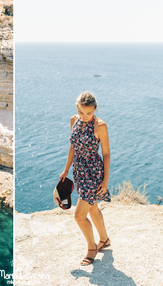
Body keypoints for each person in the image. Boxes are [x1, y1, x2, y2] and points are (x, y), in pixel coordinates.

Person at [60, 91, 111, 265]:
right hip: (79, 171)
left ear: (95, 109)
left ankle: (92, 248)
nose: (85, 116)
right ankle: (104, 239)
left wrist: (105, 181)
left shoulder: (100, 126)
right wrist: (66, 170)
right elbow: (73, 147)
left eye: (89, 113)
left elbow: (106, 154)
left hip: (94, 174)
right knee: (93, 208)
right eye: (82, 112)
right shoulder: (74, 121)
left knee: (79, 216)